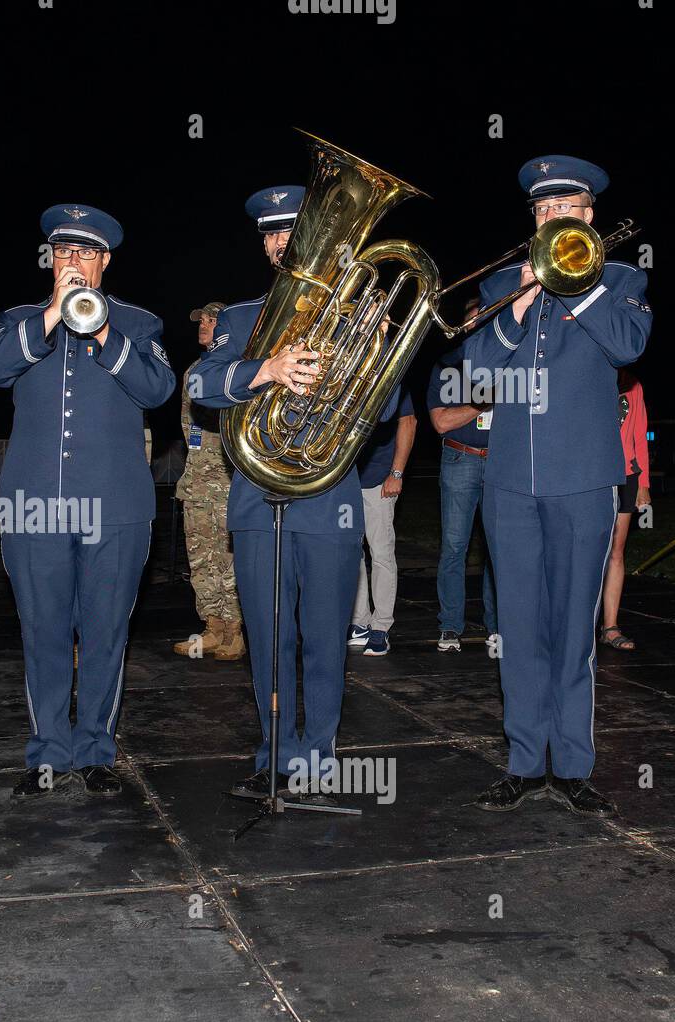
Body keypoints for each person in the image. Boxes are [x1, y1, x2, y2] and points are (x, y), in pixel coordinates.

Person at [190, 185, 391, 798]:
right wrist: (266, 369)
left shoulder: (354, 312)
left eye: (293, 233)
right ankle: (275, 754)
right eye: (273, 235)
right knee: (269, 638)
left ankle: (320, 756)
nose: (282, 244)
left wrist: (374, 350)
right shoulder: (242, 318)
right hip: (257, 501)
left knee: (325, 636)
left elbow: (381, 413)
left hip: (329, 498)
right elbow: (202, 383)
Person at [472, 156, 651, 816]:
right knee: (518, 628)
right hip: (511, 480)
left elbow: (629, 345)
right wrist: (515, 307)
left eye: (563, 207)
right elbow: (474, 368)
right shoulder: (503, 282)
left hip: (584, 479)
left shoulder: (623, 278)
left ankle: (572, 765)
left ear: (589, 214)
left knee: (574, 629)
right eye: (541, 210)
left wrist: (578, 284)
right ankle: (523, 761)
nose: (550, 217)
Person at [0, 204, 175, 800]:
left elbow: (158, 388)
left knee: (106, 630)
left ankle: (95, 751)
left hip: (114, 506)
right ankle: (47, 752)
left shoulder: (139, 323)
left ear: (105, 261)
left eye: (85, 252)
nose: (74, 262)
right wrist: (49, 317)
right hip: (35, 507)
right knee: (42, 630)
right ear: (51, 258)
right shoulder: (19, 319)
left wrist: (103, 330)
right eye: (64, 252)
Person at [174, 301, 245, 661]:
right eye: (201, 318)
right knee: (201, 559)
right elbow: (189, 429)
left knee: (230, 558)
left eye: (212, 319)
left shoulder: (238, 372)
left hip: (229, 482)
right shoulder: (193, 370)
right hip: (198, 481)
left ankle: (235, 630)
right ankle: (213, 626)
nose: (204, 323)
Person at [427, 301, 499, 653]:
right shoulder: (448, 366)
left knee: (496, 549)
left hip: (501, 463)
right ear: (465, 327)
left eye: (485, 319)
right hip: (460, 459)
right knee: (455, 546)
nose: (479, 325)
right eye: (473, 321)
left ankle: (497, 628)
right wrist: (479, 406)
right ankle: (450, 627)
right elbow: (440, 423)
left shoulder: (508, 363)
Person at [348, 386, 416, 656]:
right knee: (352, 554)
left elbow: (408, 422)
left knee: (381, 554)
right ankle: (359, 622)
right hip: (346, 482)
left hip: (379, 480)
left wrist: (396, 474)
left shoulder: (393, 375)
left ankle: (381, 627)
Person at [600, 370, 651, 651]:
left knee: (616, 551)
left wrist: (643, 482)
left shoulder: (634, 384)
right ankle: (577, 625)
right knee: (588, 550)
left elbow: (640, 434)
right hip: (593, 474)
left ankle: (610, 626)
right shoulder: (591, 373)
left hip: (626, 476)